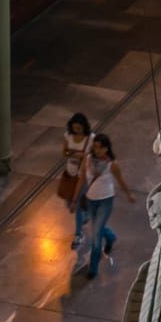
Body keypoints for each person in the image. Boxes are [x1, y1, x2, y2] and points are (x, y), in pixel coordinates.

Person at [81, 134, 135, 281]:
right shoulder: (88, 160)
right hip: (91, 200)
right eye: (96, 146)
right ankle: (111, 237)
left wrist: (128, 194)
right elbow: (82, 178)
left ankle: (93, 267)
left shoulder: (112, 164)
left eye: (101, 147)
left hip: (105, 201)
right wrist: (77, 197)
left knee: (96, 234)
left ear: (106, 149)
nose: (97, 150)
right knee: (97, 227)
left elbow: (120, 180)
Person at [61, 112, 93, 249]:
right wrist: (75, 154)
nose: (76, 131)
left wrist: (76, 154)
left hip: (83, 175)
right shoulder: (68, 136)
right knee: (68, 203)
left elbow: (89, 156)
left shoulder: (90, 138)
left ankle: (78, 234)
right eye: (74, 128)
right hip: (70, 173)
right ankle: (86, 215)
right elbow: (65, 152)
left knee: (77, 205)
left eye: (79, 128)